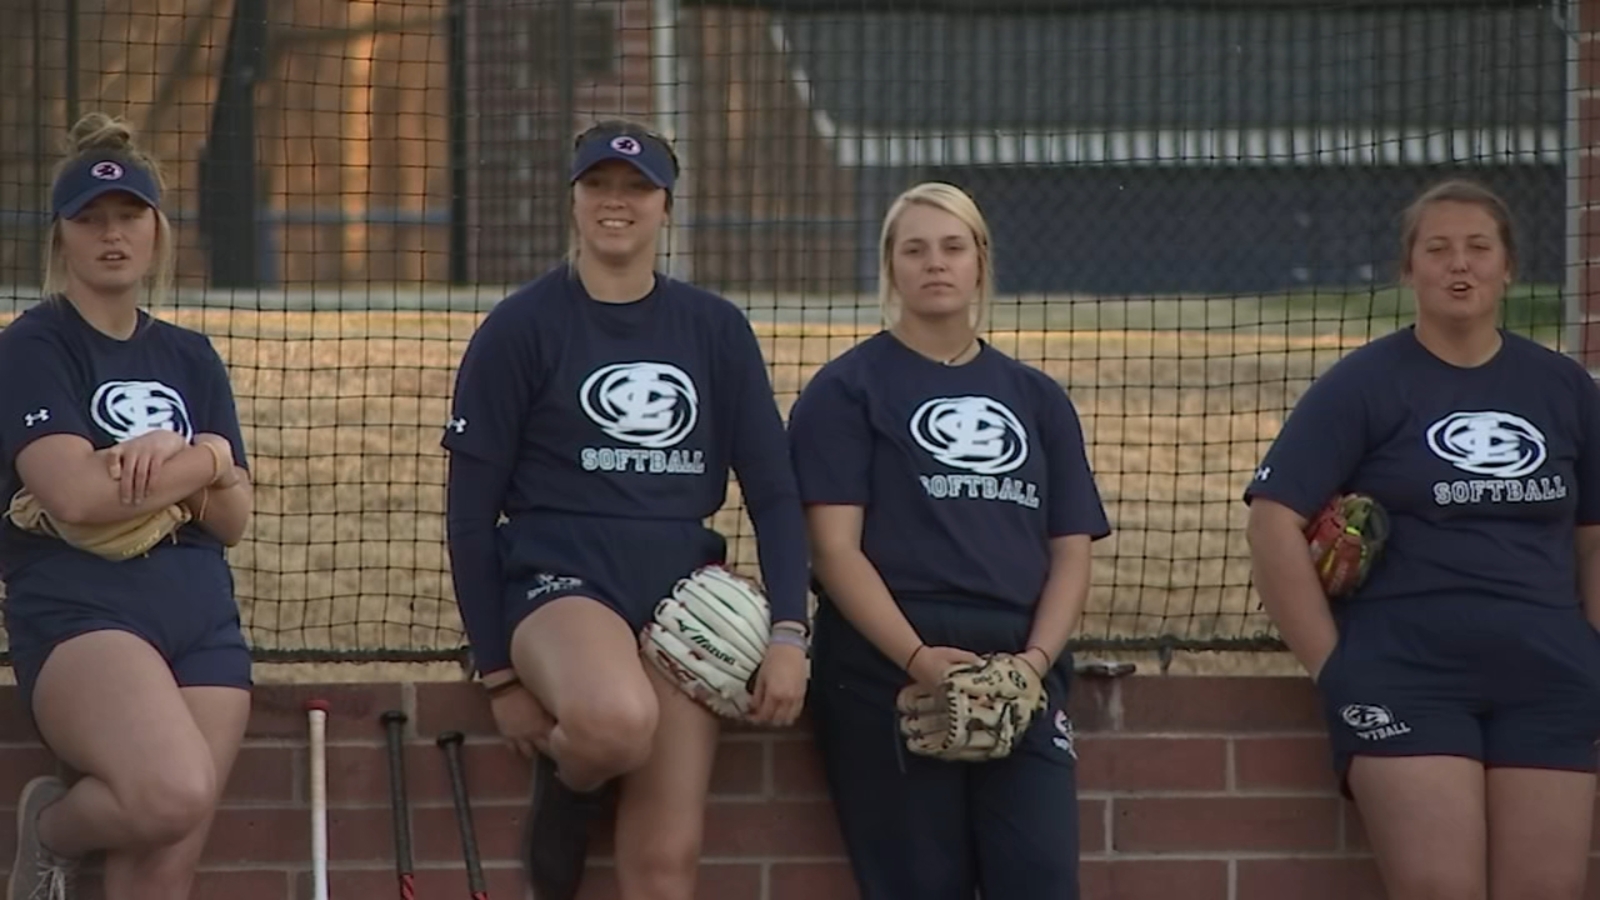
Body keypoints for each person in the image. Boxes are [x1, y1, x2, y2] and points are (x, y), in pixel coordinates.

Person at [440, 117, 811, 900]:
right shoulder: (521, 327)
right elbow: (469, 516)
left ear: (666, 207)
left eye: (637, 189)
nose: (618, 202)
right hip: (560, 582)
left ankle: (582, 781)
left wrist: (787, 629)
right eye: (599, 186)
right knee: (612, 723)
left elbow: (775, 494)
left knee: (665, 864)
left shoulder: (715, 329)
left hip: (683, 604)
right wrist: (502, 676)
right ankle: (570, 790)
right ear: (573, 201)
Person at [1244, 178, 1600, 900]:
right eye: (1436, 249)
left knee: (1546, 889)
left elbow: (1594, 538)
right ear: (1408, 269)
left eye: (1478, 248)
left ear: (1509, 267)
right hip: (1407, 675)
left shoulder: (1563, 388)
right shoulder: (1363, 384)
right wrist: (1333, 667)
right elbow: (1271, 521)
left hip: (1550, 677)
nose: (1458, 265)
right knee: (1440, 887)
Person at [786, 181, 1111, 900]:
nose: (936, 263)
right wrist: (919, 659)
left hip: (1017, 669)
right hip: (887, 666)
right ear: (891, 267)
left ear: (980, 262)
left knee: (1042, 880)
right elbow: (834, 550)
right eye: (915, 249)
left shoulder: (1037, 399)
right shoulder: (846, 390)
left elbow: (1071, 551)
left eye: (953, 247)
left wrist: (1031, 666)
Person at [0, 112, 255, 900]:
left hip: (202, 615)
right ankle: (50, 830)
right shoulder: (34, 346)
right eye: (91, 219)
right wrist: (202, 461)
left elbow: (234, 518)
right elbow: (74, 496)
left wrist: (200, 458)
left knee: (166, 858)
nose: (112, 235)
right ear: (60, 238)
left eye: (130, 216)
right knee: (168, 792)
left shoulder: (189, 354)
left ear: (157, 229)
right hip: (85, 610)